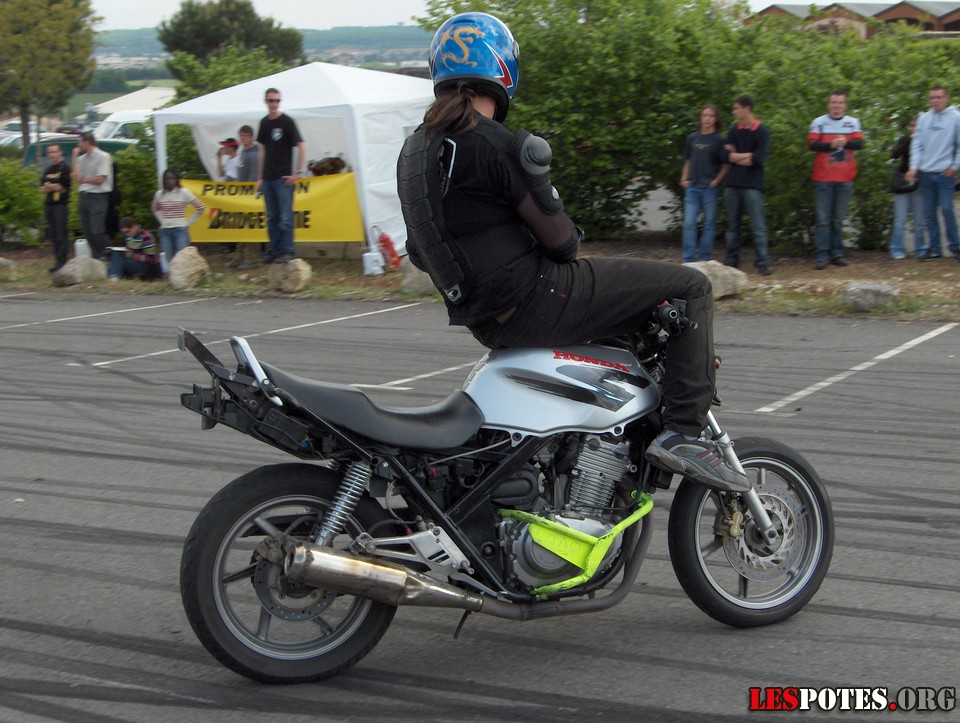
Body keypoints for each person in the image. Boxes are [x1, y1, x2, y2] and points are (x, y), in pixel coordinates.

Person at [397, 12, 747, 491]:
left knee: (624, 325)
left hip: (485, 319)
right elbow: (563, 244)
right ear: (503, 70)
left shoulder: (415, 152)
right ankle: (684, 434)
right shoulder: (497, 144)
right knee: (692, 285)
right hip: (538, 297)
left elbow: (420, 252)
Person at [808, 90, 863, 269]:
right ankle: (822, 254)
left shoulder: (852, 122)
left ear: (845, 105)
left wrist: (845, 142)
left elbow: (859, 144)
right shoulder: (819, 122)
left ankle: (837, 253)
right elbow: (812, 144)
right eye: (833, 102)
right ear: (828, 104)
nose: (836, 106)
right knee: (823, 219)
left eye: (840, 103)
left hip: (845, 177)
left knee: (838, 219)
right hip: (823, 177)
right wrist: (830, 145)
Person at [905, 86, 960, 262]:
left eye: (939, 97)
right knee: (929, 212)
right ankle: (935, 248)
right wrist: (914, 167)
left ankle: (955, 246)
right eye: (932, 97)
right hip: (926, 173)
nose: (935, 101)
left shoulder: (955, 117)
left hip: (945, 174)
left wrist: (955, 166)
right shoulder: (924, 118)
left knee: (946, 208)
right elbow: (917, 145)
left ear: (946, 98)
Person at [721, 95, 772, 276]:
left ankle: (762, 262)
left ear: (746, 109)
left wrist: (737, 156)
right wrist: (747, 155)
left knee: (758, 226)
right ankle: (732, 260)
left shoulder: (762, 131)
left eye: (736, 108)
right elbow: (725, 156)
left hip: (753, 185)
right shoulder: (734, 131)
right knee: (733, 225)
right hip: (733, 184)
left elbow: (758, 159)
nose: (733, 112)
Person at [256, 88, 306, 264]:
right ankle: (275, 250)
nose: (274, 104)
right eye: (271, 100)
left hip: (283, 177)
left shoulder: (287, 121)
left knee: (285, 217)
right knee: (272, 217)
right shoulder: (264, 122)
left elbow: (301, 145)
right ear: (266, 101)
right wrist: (260, 176)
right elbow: (262, 149)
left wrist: (298, 172)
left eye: (277, 101)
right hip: (268, 177)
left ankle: (288, 250)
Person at [680, 104, 728, 263]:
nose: (707, 119)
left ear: (715, 119)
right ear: (700, 118)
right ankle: (688, 258)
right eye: (705, 115)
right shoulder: (692, 138)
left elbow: (726, 164)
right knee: (689, 223)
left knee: (709, 223)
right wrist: (684, 178)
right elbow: (688, 160)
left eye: (711, 116)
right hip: (692, 186)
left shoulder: (720, 139)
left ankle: (705, 257)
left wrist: (717, 180)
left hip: (709, 187)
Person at [72, 131, 113, 259]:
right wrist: (74, 157)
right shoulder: (82, 158)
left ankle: (111, 254)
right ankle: (97, 257)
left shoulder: (103, 156)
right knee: (87, 231)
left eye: (80, 142)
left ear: (87, 142)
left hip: (98, 196)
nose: (79, 145)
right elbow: (77, 176)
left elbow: (100, 179)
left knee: (97, 230)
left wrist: (85, 180)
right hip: (84, 195)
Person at [890, 116, 926, 260]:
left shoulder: (927, 141)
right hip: (903, 182)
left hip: (920, 182)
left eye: (917, 126)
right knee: (900, 219)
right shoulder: (905, 140)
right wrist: (908, 141)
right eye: (912, 126)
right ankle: (896, 249)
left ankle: (920, 249)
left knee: (919, 219)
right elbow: (894, 154)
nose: (914, 129)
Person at [150, 169, 205, 262]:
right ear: (164, 180)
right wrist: (162, 220)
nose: (170, 181)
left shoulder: (184, 192)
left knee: (182, 259)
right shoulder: (159, 194)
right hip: (165, 231)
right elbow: (154, 208)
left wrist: (188, 223)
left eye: (172, 178)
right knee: (170, 260)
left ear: (176, 179)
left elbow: (200, 207)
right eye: (167, 179)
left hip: (180, 230)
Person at [228, 125, 261, 269]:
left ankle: (252, 258)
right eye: (241, 135)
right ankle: (240, 255)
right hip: (241, 193)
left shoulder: (254, 154)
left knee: (250, 226)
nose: (243, 138)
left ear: (251, 137)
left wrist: (249, 191)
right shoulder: (243, 152)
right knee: (241, 225)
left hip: (250, 194)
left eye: (246, 135)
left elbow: (254, 176)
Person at [39, 143, 71, 273]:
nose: (52, 155)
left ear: (60, 152)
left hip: (60, 205)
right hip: (49, 205)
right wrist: (52, 186)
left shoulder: (65, 168)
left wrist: (50, 186)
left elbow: (62, 187)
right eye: (50, 152)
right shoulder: (48, 170)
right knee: (53, 235)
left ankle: (62, 262)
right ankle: (57, 261)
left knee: (61, 234)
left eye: (54, 151)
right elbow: (42, 188)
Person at [108, 217, 162, 281]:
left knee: (120, 263)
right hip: (134, 262)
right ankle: (114, 275)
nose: (127, 234)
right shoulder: (130, 236)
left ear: (134, 227)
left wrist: (132, 256)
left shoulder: (146, 237)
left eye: (128, 231)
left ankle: (114, 275)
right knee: (117, 254)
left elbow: (152, 259)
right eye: (125, 233)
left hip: (146, 267)